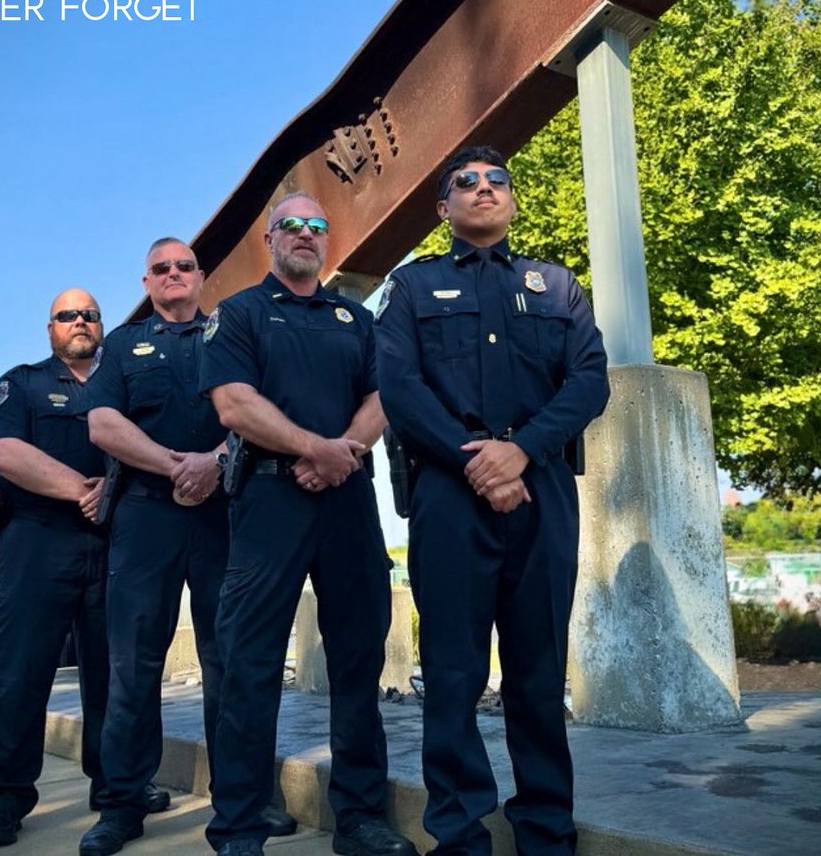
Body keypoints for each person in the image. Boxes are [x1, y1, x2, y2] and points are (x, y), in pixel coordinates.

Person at [374, 146, 610, 856]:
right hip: (451, 492)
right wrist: (476, 459)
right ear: (443, 207)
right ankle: (458, 834)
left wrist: (522, 449)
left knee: (539, 671)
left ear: (512, 199)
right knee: (453, 671)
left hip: (540, 489)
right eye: (465, 184)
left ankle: (544, 829)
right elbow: (399, 386)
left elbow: (589, 379)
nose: (484, 190)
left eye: (496, 181)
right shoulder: (411, 289)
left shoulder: (559, 285)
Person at [200, 194, 415, 856]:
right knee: (249, 663)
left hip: (348, 500)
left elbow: (385, 396)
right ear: (270, 239)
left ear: (328, 242)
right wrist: (309, 447)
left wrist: (340, 451)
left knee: (358, 659)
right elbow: (234, 403)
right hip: (269, 500)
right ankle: (239, 822)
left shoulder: (356, 318)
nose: (304, 234)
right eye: (290, 224)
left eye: (316, 226)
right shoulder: (238, 314)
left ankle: (359, 818)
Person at [78, 238, 282, 856]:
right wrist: (177, 466)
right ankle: (121, 804)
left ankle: (243, 800)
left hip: (225, 514)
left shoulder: (234, 332)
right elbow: (102, 423)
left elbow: (259, 409)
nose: (173, 275)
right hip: (146, 518)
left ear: (200, 277)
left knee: (232, 660)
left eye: (184, 266)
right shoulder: (121, 345)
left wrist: (216, 463)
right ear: (147, 280)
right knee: (132, 664)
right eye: (161, 268)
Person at [0, 289, 110, 849]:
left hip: (112, 544)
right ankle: (3, 800)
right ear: (49, 328)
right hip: (35, 541)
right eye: (67, 315)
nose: (80, 321)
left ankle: (117, 786)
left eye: (90, 314)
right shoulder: (23, 383)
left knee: (116, 675)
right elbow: (3, 450)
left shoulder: (120, 381)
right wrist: (82, 490)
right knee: (18, 675)